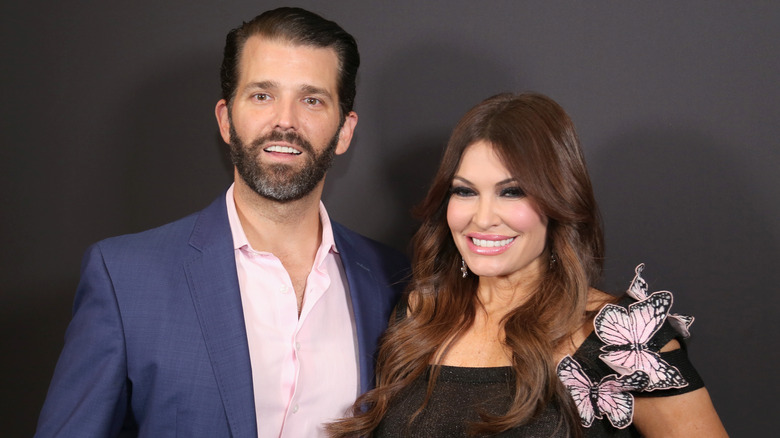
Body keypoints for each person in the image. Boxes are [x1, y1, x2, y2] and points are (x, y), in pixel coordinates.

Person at [35, 7, 408, 438]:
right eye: (262, 96)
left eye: (311, 100)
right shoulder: (124, 278)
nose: (285, 121)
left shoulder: (393, 282)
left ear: (344, 131)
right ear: (226, 120)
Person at [327, 92, 727, 437]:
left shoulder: (618, 340)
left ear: (559, 200)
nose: (482, 218)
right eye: (465, 191)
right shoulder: (414, 317)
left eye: (512, 192)